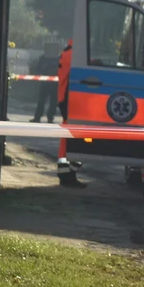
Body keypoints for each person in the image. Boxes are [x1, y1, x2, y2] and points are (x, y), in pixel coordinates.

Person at [56, 38, 86, 189]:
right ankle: (68, 174)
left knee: (68, 137)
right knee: (72, 138)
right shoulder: (73, 54)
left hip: (65, 98)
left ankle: (67, 174)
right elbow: (83, 66)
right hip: (68, 99)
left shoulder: (67, 52)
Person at [30, 43, 61, 123]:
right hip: (45, 83)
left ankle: (50, 117)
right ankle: (37, 117)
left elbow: (62, 70)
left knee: (53, 102)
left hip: (55, 84)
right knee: (42, 101)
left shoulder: (59, 59)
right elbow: (37, 70)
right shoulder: (43, 58)